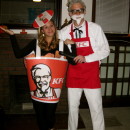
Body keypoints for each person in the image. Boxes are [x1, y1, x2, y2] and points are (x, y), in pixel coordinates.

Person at [0, 19, 70, 130]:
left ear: (55, 28)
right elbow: (18, 54)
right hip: (36, 87)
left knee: (50, 115)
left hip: (54, 88)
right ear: (42, 30)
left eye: (51, 26)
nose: (49, 29)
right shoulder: (35, 43)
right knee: (40, 115)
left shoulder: (61, 45)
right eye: (46, 27)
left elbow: (73, 61)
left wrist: (69, 49)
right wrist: (12, 36)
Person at [59, 0, 110, 130]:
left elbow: (105, 50)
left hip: (91, 74)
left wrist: (86, 58)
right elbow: (59, 53)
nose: (77, 13)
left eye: (79, 10)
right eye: (73, 11)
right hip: (74, 74)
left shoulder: (95, 28)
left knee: (96, 107)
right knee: (72, 107)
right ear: (69, 13)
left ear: (84, 11)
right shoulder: (64, 32)